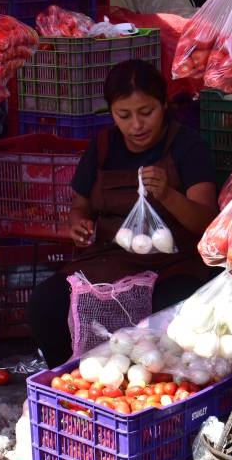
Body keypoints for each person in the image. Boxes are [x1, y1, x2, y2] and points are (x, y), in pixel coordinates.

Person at [28, 59, 221, 367]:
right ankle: (67, 381)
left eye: (146, 113)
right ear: (111, 113)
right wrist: (78, 223)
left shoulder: (187, 145)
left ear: (164, 105)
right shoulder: (104, 146)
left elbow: (206, 223)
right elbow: (79, 206)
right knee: (47, 302)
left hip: (170, 264)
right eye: (124, 115)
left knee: (170, 312)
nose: (136, 125)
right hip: (107, 262)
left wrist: (168, 195)